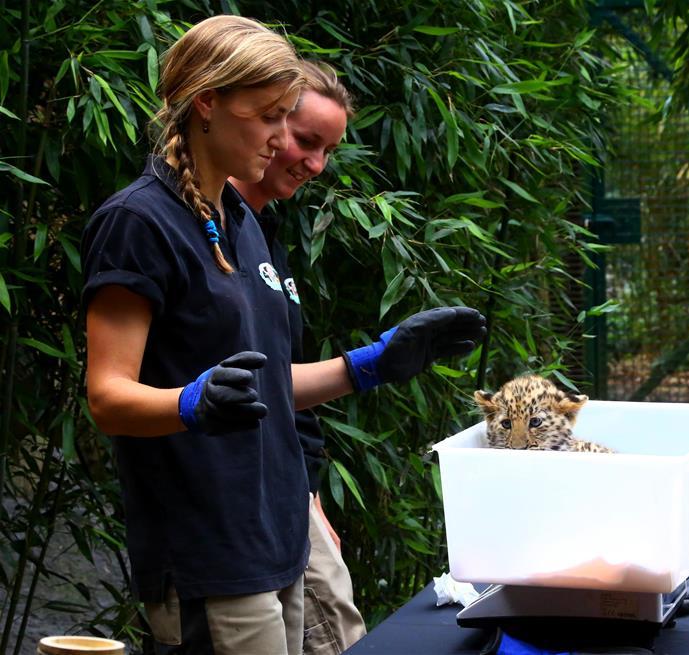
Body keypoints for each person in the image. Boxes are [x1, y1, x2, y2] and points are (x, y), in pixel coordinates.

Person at [81, 16, 485, 655]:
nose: (278, 136)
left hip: (276, 531)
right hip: (209, 549)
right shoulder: (138, 221)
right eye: (270, 116)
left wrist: (370, 364)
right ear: (208, 103)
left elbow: (261, 386)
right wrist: (188, 403)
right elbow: (106, 396)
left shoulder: (241, 221)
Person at [228, 61, 484, 654]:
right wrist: (370, 362)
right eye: (303, 139)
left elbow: (277, 379)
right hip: (234, 510)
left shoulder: (265, 236)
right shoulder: (186, 228)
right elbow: (224, 388)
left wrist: (310, 491)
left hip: (287, 488)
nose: (314, 165)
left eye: (328, 151)